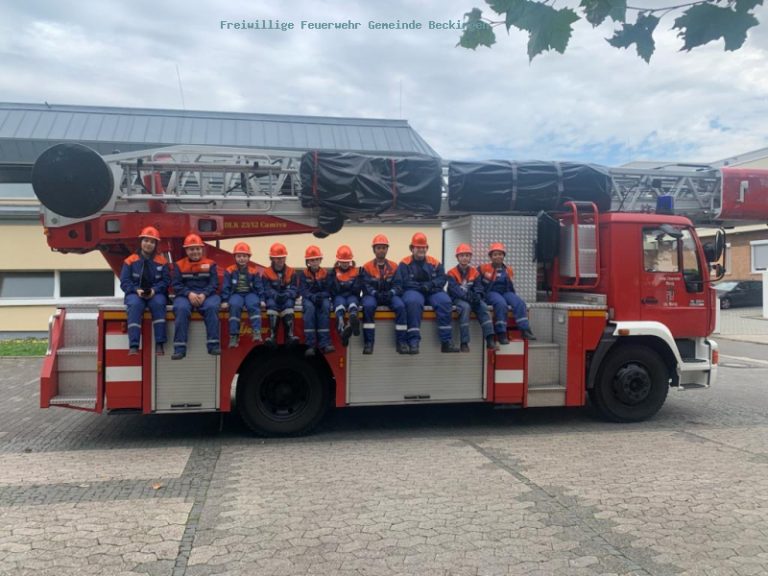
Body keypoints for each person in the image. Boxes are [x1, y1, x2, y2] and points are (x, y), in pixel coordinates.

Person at [393, 232, 459, 354]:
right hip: (413, 291)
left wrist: (431, 284)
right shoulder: (404, 263)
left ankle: (446, 342)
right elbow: (403, 282)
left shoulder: (435, 262)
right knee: (413, 302)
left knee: (445, 301)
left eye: (423, 247)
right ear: (412, 248)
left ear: (427, 248)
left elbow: (441, 278)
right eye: (418, 247)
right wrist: (420, 286)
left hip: (433, 291)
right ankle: (413, 342)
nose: (421, 249)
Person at [119, 226, 170, 356]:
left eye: (152, 242)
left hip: (155, 293)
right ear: (141, 241)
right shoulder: (129, 261)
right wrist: (136, 290)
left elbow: (165, 282)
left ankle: (159, 343)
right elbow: (124, 282)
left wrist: (154, 290)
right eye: (146, 240)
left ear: (156, 244)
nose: (149, 244)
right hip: (135, 294)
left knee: (159, 305)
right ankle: (134, 345)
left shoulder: (162, 262)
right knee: (135, 306)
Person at [171, 234, 221, 359]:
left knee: (212, 307)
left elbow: (214, 283)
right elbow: (176, 285)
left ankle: (213, 346)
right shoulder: (179, 265)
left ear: (202, 249)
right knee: (181, 309)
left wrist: (204, 294)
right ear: (186, 250)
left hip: (207, 295)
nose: (195, 252)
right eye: (191, 249)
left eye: (197, 248)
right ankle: (179, 349)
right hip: (185, 295)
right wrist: (189, 294)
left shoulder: (211, 264)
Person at [479, 242, 536, 343]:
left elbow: (510, 285)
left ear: (503, 256)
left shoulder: (508, 269)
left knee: (519, 302)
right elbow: (478, 283)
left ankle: (525, 330)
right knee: (501, 304)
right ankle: (501, 333)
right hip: (491, 292)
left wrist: (512, 295)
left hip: (505, 292)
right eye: (495, 254)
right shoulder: (483, 268)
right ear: (491, 256)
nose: (498, 257)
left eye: (500, 254)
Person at [360, 234, 407, 355]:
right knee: (368, 306)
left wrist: (392, 293)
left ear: (387, 249)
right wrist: (375, 293)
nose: (381, 250)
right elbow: (365, 285)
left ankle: (401, 342)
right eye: (378, 247)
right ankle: (369, 343)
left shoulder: (394, 266)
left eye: (383, 247)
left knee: (401, 306)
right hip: (372, 296)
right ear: (374, 250)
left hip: (390, 296)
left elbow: (398, 284)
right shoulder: (367, 267)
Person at [447, 243, 495, 352]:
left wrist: (478, 296)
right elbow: (455, 290)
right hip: (457, 299)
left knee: (483, 306)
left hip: (471, 298)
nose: (464, 258)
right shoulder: (451, 273)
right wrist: (468, 297)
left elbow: (478, 286)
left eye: (467, 255)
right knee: (465, 308)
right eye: (462, 255)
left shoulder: (475, 272)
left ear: (470, 257)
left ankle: (490, 338)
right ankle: (464, 343)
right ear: (457, 257)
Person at [220, 242, 263, 349]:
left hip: (250, 293)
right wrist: (225, 300)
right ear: (235, 257)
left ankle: (256, 332)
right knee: (234, 306)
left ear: (249, 257)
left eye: (244, 256)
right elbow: (226, 286)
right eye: (239, 256)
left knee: (254, 304)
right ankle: (234, 336)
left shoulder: (254, 271)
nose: (242, 258)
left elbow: (259, 287)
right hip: (236, 294)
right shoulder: (229, 270)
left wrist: (262, 299)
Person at [299, 245, 334, 356]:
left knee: (325, 307)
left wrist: (321, 295)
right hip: (309, 298)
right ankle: (310, 345)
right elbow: (303, 290)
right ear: (308, 261)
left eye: (316, 259)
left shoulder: (325, 273)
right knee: (309, 309)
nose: (314, 262)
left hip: (322, 298)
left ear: (320, 260)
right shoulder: (303, 274)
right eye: (312, 260)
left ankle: (325, 343)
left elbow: (329, 289)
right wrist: (312, 297)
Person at [262, 242, 299, 347]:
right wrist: (274, 295)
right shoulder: (266, 272)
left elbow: (295, 288)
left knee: (289, 305)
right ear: (272, 259)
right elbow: (265, 288)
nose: (281, 260)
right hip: (273, 297)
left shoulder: (292, 272)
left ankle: (289, 336)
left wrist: (288, 294)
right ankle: (272, 337)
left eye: (283, 257)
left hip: (287, 296)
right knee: (271, 305)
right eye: (278, 258)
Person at [329, 245, 361, 347]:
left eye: (347, 261)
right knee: (340, 306)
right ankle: (343, 331)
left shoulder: (355, 272)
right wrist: (334, 281)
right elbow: (332, 291)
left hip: (352, 295)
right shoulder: (334, 272)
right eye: (343, 261)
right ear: (338, 261)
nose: (345, 264)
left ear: (351, 261)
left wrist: (359, 280)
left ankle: (353, 321)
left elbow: (357, 290)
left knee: (353, 303)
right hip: (339, 296)